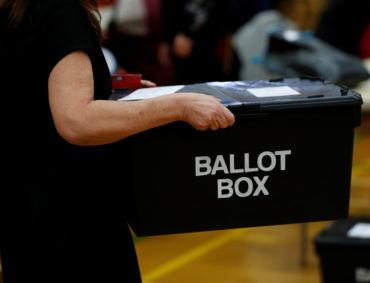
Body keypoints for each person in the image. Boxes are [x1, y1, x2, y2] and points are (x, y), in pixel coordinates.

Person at [0, 0, 234, 282]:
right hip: (74, 225)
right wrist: (177, 107)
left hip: (26, 217)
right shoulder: (63, 12)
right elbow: (76, 121)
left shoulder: (21, 10)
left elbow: (31, 89)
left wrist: (106, 85)